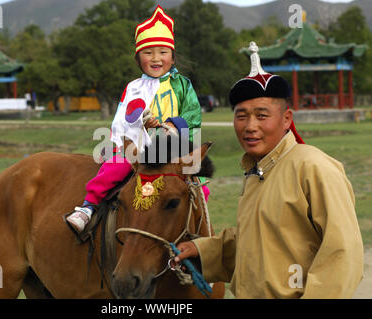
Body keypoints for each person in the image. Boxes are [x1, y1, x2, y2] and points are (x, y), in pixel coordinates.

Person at [173, 42, 363, 298]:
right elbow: (256, 247)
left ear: (287, 119)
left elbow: (342, 254)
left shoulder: (313, 167)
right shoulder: (256, 172)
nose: (250, 126)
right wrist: (200, 251)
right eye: (241, 116)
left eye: (262, 116)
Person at [65, 5, 206, 233]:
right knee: (115, 168)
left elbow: (192, 116)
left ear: (172, 55)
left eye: (163, 52)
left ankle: (198, 232)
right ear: (138, 57)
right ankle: (88, 207)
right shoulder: (133, 88)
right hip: (138, 152)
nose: (156, 58)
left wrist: (169, 125)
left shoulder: (182, 85)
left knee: (199, 189)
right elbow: (122, 120)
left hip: (173, 151)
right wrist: (138, 125)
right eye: (148, 53)